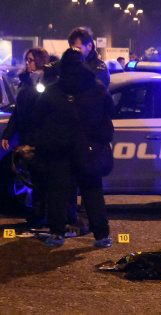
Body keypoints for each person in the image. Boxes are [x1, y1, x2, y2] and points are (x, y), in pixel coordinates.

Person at [32, 48, 114, 247]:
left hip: (60, 150)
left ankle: (57, 233)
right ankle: (102, 236)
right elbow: (109, 112)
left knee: (58, 192)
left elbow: (39, 118)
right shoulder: (97, 88)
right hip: (88, 149)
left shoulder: (54, 90)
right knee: (93, 191)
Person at [1, 48, 49, 227]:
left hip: (38, 137)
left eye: (32, 60)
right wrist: (8, 133)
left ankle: (40, 215)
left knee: (40, 178)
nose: (28, 63)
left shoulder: (44, 81)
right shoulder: (25, 82)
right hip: (26, 135)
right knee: (32, 177)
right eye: (27, 60)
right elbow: (18, 112)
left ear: (40, 61)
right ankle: (36, 214)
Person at [43, 27, 110, 88]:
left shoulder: (99, 68)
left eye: (78, 48)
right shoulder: (67, 62)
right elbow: (53, 67)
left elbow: (94, 89)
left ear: (89, 46)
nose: (74, 51)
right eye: (72, 48)